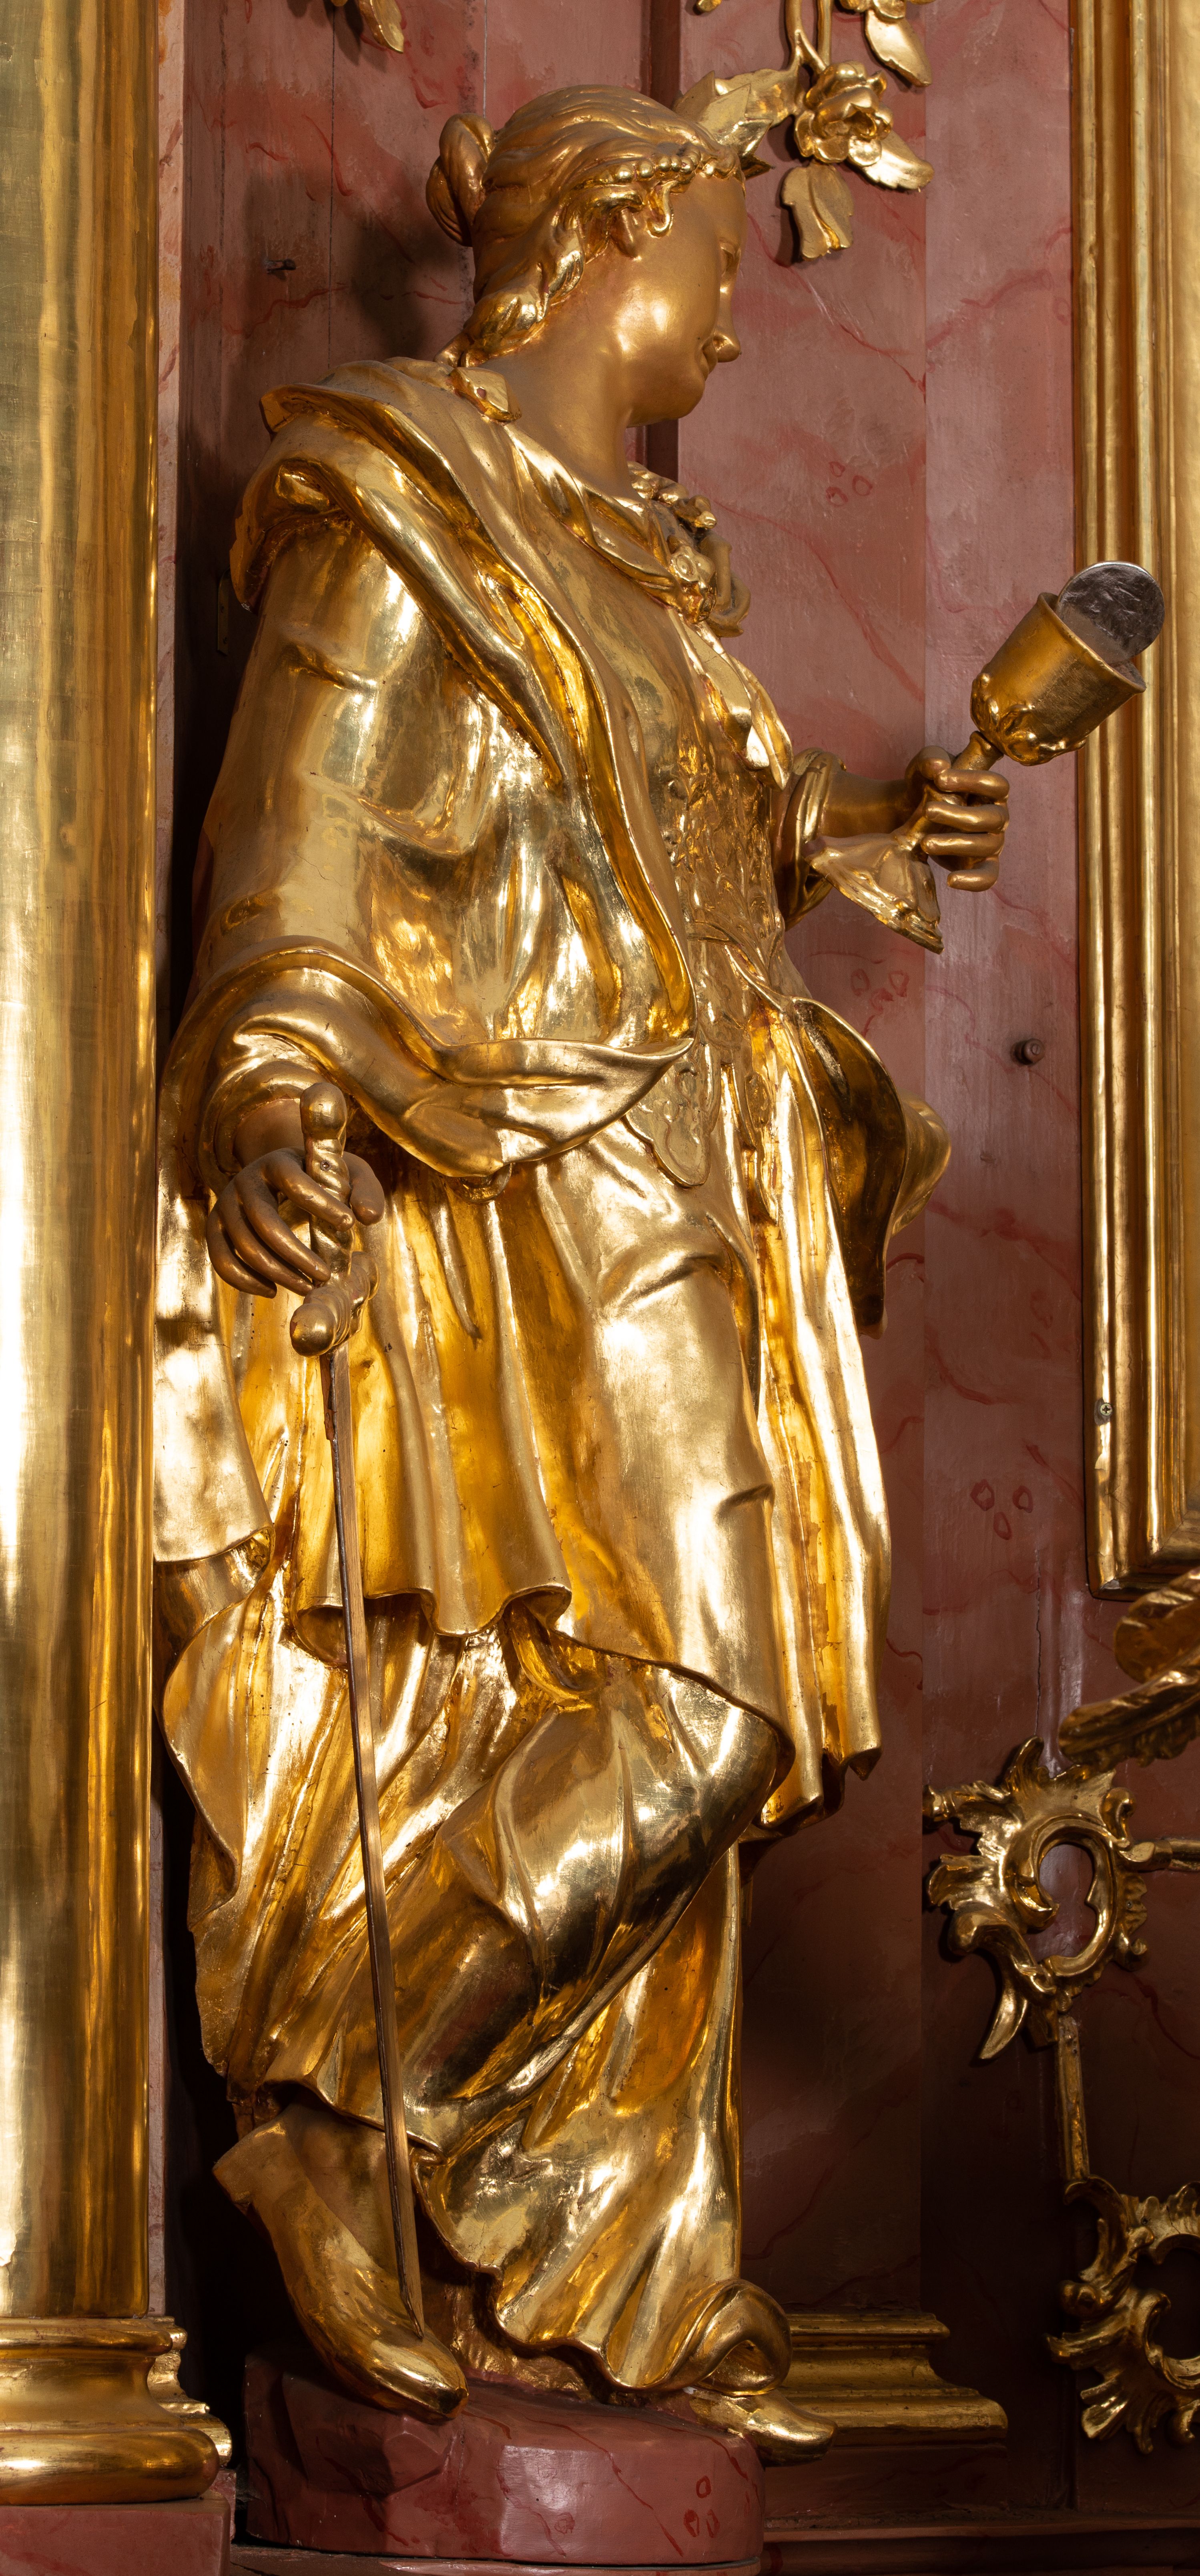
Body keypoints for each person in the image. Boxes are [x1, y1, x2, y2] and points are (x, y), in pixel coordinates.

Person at [153, 84, 1007, 2456]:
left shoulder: (648, 562)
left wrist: (863, 822)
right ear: (613, 239)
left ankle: (556, 2213)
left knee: (718, 1702)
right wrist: (270, 1085)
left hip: (702, 1176)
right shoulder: (403, 502)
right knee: (699, 1698)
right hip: (525, 1192)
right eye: (715, 264)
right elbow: (301, 831)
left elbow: (700, 821)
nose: (732, 320)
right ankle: (352, 2099)